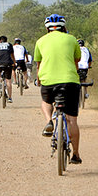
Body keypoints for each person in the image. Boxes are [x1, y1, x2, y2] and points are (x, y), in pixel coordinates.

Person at [34, 14, 83, 164]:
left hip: (48, 80)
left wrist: (39, 80)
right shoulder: (72, 39)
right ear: (63, 27)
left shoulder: (40, 41)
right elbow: (76, 61)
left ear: (47, 28)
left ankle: (49, 121)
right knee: (72, 120)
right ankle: (75, 154)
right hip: (70, 82)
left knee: (46, 101)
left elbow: (39, 65)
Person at [0, 35, 15, 103]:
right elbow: (12, 55)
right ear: (6, 41)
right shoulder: (9, 45)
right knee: (8, 81)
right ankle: (10, 98)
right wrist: (14, 63)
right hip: (8, 63)